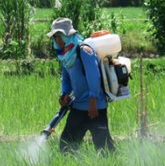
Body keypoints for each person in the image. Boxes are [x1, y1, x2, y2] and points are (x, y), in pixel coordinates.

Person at [47, 18, 116, 153]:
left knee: (104, 148)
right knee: (66, 146)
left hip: (95, 107)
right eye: (55, 37)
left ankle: (114, 165)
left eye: (60, 36)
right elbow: (66, 79)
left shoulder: (83, 50)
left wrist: (93, 101)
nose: (57, 40)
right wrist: (64, 95)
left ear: (67, 35)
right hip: (78, 106)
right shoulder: (65, 55)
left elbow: (94, 76)